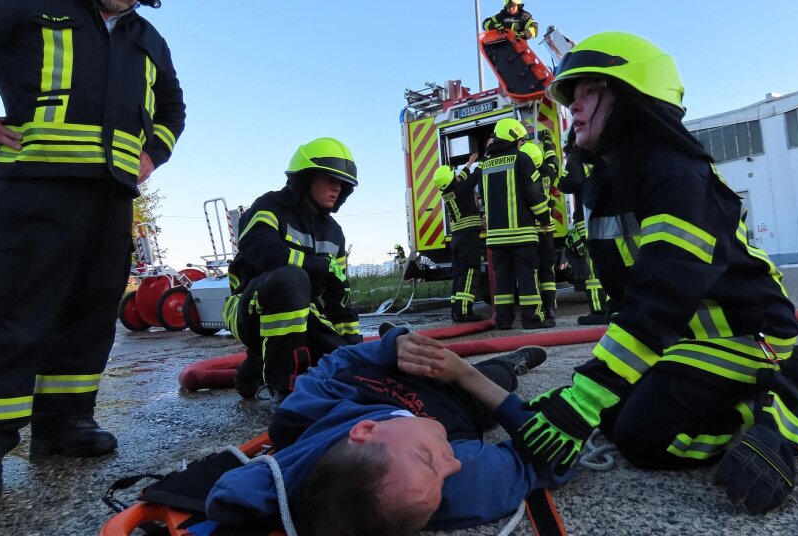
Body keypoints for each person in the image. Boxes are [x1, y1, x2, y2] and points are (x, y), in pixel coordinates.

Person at [514, 32, 798, 514]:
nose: (573, 106)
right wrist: (583, 397)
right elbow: (629, 303)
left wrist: (583, 397)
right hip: (680, 340)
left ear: (634, 97)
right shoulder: (610, 186)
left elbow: (660, 297)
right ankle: (762, 389)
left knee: (646, 438)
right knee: (613, 419)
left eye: (589, 90)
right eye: (571, 95)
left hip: (744, 335)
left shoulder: (675, 175)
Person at [0, 0, 183, 499]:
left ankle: (64, 423)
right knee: (12, 309)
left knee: (91, 313)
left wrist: (152, 155)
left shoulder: (148, 37)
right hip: (37, 189)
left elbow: (173, 109)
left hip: (113, 199)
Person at [205, 324, 572, 535]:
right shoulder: (445, 483)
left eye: (429, 460)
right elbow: (551, 454)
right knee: (497, 378)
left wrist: (391, 346)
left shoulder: (307, 410)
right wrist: (466, 375)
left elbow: (339, 359)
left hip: (402, 369)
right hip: (463, 400)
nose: (453, 465)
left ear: (364, 430)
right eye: (444, 477)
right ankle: (510, 367)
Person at [225, 138, 363, 405]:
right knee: (291, 280)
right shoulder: (269, 207)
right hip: (248, 307)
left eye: (343, 184)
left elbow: (340, 297)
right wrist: (319, 265)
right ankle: (283, 389)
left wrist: (354, 347)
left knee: (343, 363)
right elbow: (266, 254)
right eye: (330, 179)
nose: (338, 187)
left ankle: (255, 368)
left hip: (303, 314)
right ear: (306, 178)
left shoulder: (334, 233)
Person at [481, 118, 554, 330]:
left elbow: (483, 198)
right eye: (521, 139)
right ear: (514, 137)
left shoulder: (485, 165)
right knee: (527, 275)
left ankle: (503, 320)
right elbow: (534, 193)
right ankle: (532, 318)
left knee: (503, 279)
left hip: (495, 236)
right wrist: (544, 218)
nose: (522, 143)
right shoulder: (521, 159)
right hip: (522, 233)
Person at [558, 133, 610, 325]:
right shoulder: (601, 155)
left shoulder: (576, 157)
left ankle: (598, 311)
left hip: (586, 218)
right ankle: (612, 306)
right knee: (606, 263)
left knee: (591, 270)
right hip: (606, 216)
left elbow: (568, 183)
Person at [433, 153, 484, 322]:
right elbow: (477, 175)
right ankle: (464, 312)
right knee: (469, 272)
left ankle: (455, 310)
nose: (456, 174)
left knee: (458, 274)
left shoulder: (449, 191)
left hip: (457, 239)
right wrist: (485, 158)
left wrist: (469, 163)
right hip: (468, 238)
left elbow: (460, 179)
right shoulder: (461, 188)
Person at [519, 131, 560, 320]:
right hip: (548, 228)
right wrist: (547, 142)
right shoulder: (549, 172)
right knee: (547, 268)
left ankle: (539, 308)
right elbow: (554, 161)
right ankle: (550, 306)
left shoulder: (525, 177)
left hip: (531, 230)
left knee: (533, 269)